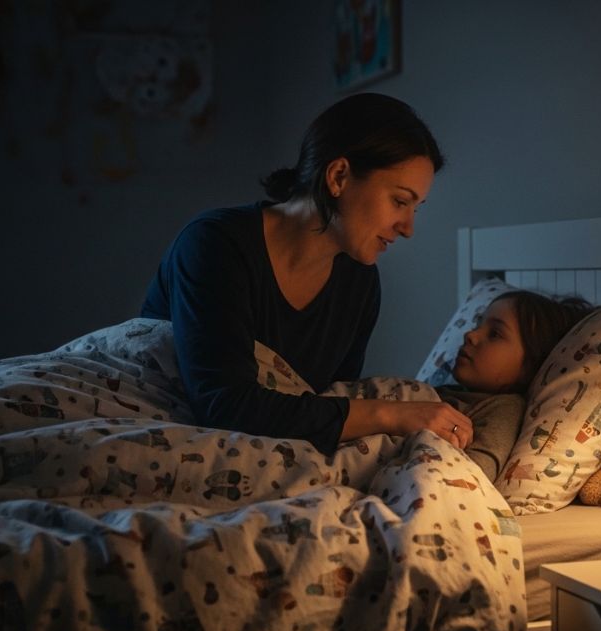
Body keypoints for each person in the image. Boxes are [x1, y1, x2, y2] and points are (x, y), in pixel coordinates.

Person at [141, 93, 467, 455]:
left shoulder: (359, 282)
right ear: (339, 176)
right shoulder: (214, 245)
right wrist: (391, 414)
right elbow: (223, 405)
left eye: (415, 208)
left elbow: (326, 407)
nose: (407, 228)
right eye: (400, 201)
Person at [438, 290, 594, 480]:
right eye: (478, 324)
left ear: (530, 367)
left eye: (494, 334)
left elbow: (469, 480)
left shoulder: (502, 410)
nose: (471, 335)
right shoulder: (450, 392)